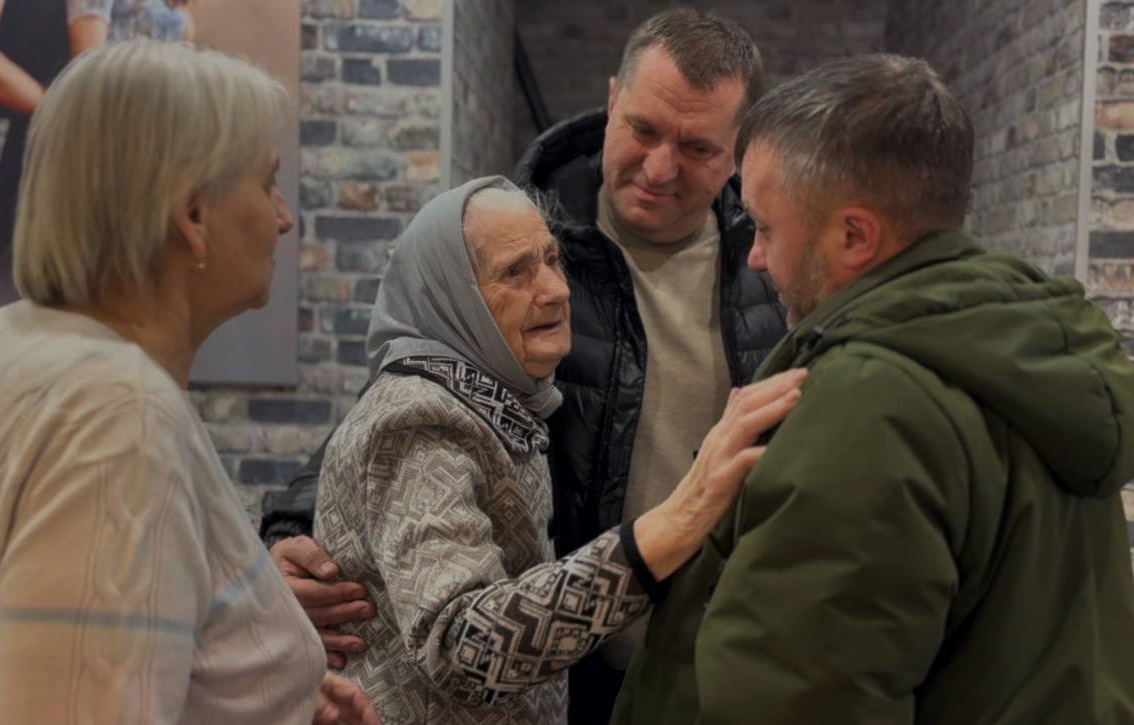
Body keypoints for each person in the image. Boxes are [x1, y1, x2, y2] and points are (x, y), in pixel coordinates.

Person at [260, 10, 786, 720]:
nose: (660, 168)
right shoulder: (517, 235)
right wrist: (288, 537)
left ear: (738, 149)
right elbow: (403, 409)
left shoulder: (771, 267)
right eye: (643, 130)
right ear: (611, 101)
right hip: (559, 669)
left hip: (712, 672)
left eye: (696, 147)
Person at [610, 53, 1134, 724]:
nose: (756, 256)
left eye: (765, 227)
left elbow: (798, 700)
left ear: (854, 235)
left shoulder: (870, 402)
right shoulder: (1029, 350)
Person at [0, 39, 376, 725]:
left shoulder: (1, 345)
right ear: (193, 215)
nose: (283, 217)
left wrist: (261, 693)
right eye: (267, 183)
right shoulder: (117, 415)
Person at [313, 175, 804, 724]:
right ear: (452, 296)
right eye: (514, 272)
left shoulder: (493, 396)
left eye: (552, 260)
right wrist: (672, 524)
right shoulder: (422, 419)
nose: (556, 290)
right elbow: (461, 646)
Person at [0, 0, 191, 309]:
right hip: (26, 145)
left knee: (82, 300)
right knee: (11, 294)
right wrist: (56, 106)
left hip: (105, 157)